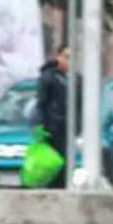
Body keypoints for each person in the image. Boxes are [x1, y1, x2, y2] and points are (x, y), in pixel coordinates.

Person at [36, 45, 71, 188]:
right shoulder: (49, 77)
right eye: (66, 57)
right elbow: (42, 103)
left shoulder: (73, 79)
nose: (69, 62)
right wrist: (42, 125)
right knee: (55, 163)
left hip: (69, 129)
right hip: (54, 129)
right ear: (59, 57)